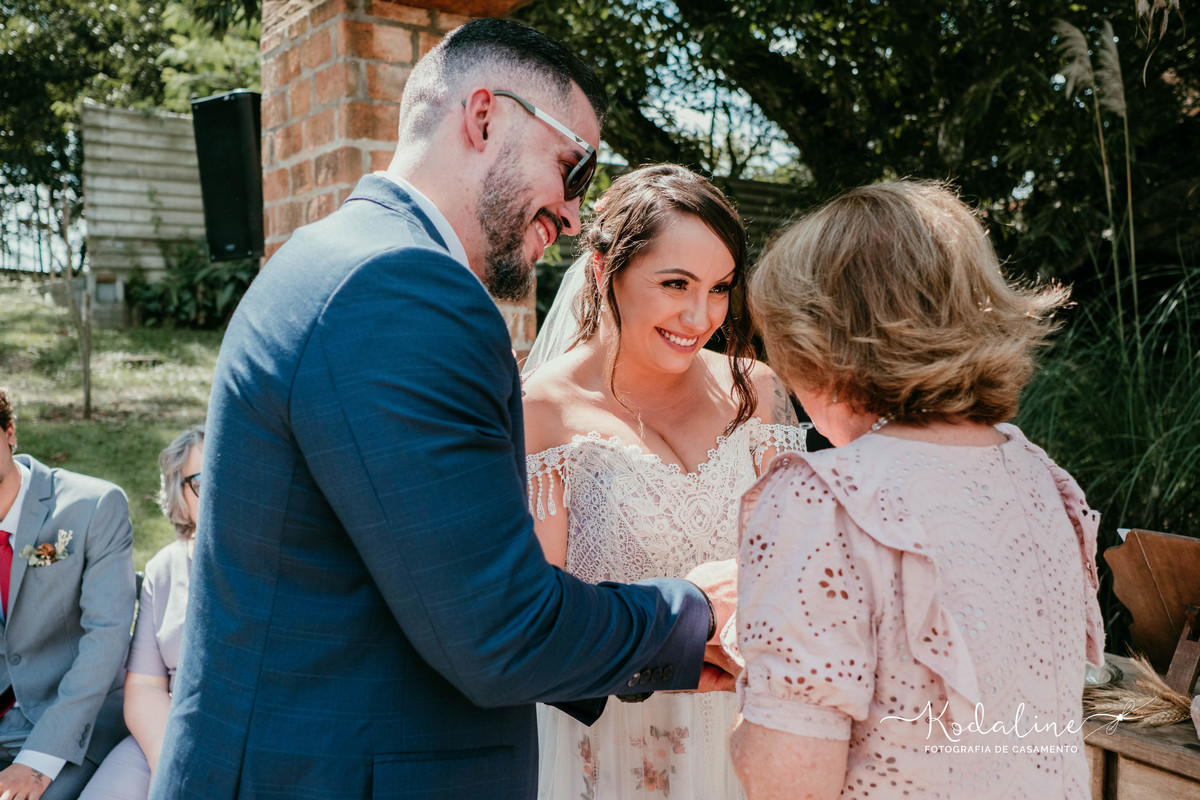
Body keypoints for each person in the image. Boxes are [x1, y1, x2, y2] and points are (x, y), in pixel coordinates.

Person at [151, 18, 735, 800]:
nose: (570, 211)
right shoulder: (403, 288)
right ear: (484, 115)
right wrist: (689, 613)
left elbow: (429, 580)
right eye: (573, 165)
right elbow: (497, 627)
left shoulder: (339, 255)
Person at [729, 180, 1105, 799]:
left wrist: (752, 668)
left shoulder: (820, 499)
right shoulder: (1040, 475)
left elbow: (789, 779)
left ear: (821, 339)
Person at [522, 164, 808, 800]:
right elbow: (538, 627)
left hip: (742, 734)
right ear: (604, 272)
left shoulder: (755, 392)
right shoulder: (540, 414)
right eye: (675, 283)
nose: (699, 315)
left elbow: (799, 567)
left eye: (720, 287)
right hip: (604, 746)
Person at [0, 388, 136, 800]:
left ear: (9, 433)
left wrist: (37, 762)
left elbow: (106, 637)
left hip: (69, 726)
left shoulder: (93, 507)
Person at [80, 427, 203, 800]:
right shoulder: (165, 568)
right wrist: (172, 764)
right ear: (181, 493)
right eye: (201, 481)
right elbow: (147, 686)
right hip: (165, 732)